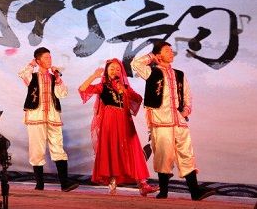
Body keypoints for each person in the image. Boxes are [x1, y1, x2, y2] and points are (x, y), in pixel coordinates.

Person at [131, 41, 215, 200]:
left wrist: (185, 111)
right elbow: (135, 63)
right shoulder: (152, 72)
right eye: (166, 50)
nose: (171, 53)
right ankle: (163, 192)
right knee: (163, 155)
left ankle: (195, 192)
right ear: (158, 54)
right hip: (160, 120)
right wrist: (151, 57)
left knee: (187, 155)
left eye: (171, 50)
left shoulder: (179, 74)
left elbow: (187, 95)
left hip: (179, 121)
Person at [78, 59, 159, 196]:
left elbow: (138, 99)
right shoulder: (102, 86)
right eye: (111, 69)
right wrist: (94, 76)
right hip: (109, 120)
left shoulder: (125, 87)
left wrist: (125, 91)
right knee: (112, 149)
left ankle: (143, 184)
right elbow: (83, 89)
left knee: (133, 150)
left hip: (125, 120)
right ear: (106, 71)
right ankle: (112, 181)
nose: (114, 71)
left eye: (117, 69)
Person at [18, 47, 78, 191]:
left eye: (50, 57)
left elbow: (62, 94)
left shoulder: (53, 77)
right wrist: (31, 64)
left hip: (53, 117)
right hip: (36, 116)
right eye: (46, 57)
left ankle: (64, 184)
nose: (49, 60)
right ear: (38, 60)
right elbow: (23, 74)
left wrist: (57, 77)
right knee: (36, 150)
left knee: (58, 147)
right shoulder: (32, 76)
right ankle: (39, 184)